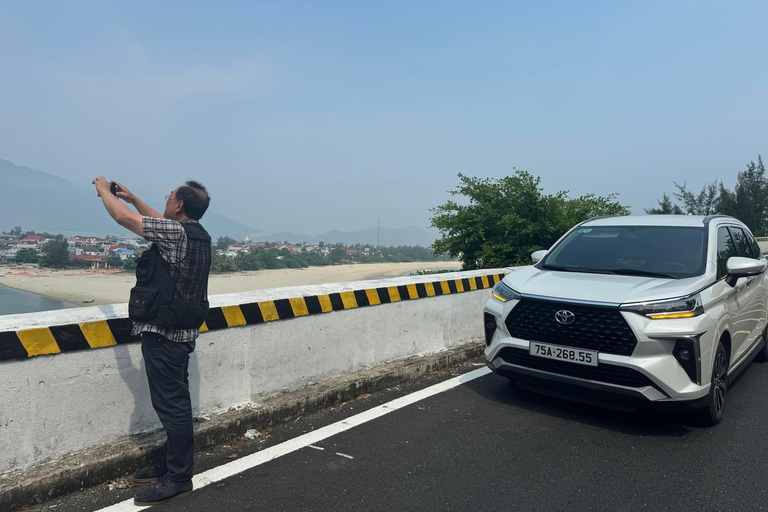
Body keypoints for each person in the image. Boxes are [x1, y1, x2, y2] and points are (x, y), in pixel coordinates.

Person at [92, 177, 212, 506]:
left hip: (165, 337)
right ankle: (171, 465)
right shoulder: (198, 234)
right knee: (175, 404)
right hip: (183, 334)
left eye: (169, 197)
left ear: (179, 205)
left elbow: (123, 219)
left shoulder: (175, 234)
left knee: (172, 407)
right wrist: (131, 197)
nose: (165, 200)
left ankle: (178, 478)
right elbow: (157, 220)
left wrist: (105, 192)